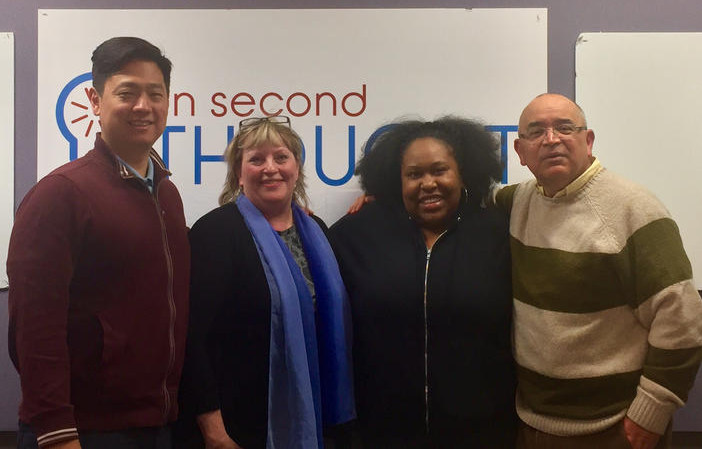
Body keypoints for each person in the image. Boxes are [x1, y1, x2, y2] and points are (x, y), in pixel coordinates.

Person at [7, 37, 190, 449]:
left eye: (155, 94)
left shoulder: (167, 194)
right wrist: (55, 432)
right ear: (95, 99)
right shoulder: (61, 194)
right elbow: (34, 328)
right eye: (127, 92)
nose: (143, 106)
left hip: (157, 425)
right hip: (82, 431)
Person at [496, 93, 702, 449]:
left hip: (615, 428)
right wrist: (381, 201)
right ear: (520, 150)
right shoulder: (515, 202)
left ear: (588, 141)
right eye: (536, 131)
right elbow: (457, 199)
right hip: (531, 422)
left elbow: (682, 322)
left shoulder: (634, 208)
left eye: (564, 128)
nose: (551, 139)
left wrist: (651, 411)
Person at [329, 117, 516, 448]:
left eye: (440, 170)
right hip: (382, 432)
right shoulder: (356, 235)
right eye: (414, 174)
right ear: (395, 181)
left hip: (483, 431)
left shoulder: (500, 233)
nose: (428, 183)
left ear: (463, 174)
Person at [173, 116, 355, 449]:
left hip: (315, 420)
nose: (270, 167)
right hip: (237, 428)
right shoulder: (216, 233)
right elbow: (192, 338)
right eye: (256, 159)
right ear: (239, 175)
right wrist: (214, 432)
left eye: (281, 157)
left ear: (295, 168)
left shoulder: (319, 233)